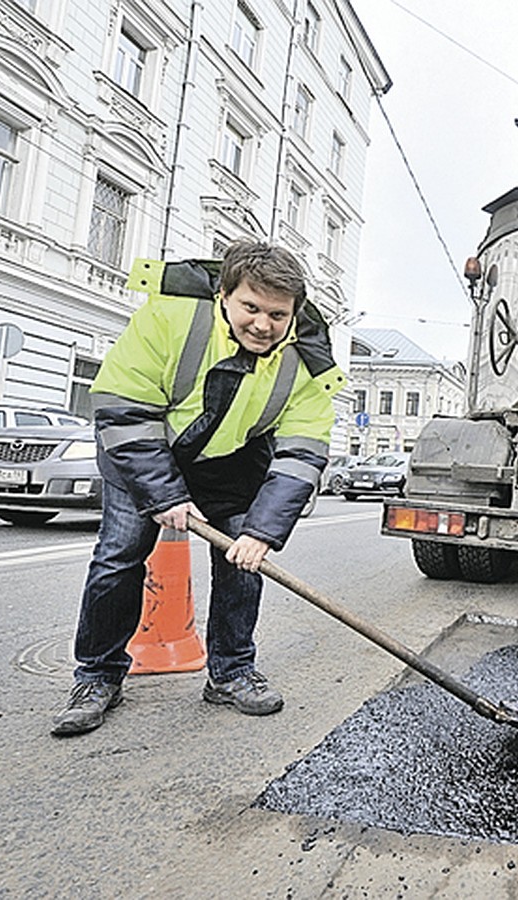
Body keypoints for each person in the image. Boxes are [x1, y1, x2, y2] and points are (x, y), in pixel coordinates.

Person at [51, 240, 344, 736]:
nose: (262, 324)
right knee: (119, 555)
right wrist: (164, 494)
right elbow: (122, 407)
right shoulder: (172, 317)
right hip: (143, 451)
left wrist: (263, 533)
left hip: (228, 465)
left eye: (277, 314)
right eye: (250, 307)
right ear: (225, 295)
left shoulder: (307, 363)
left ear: (294, 314)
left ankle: (230, 674)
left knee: (245, 562)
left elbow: (302, 453)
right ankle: (97, 676)